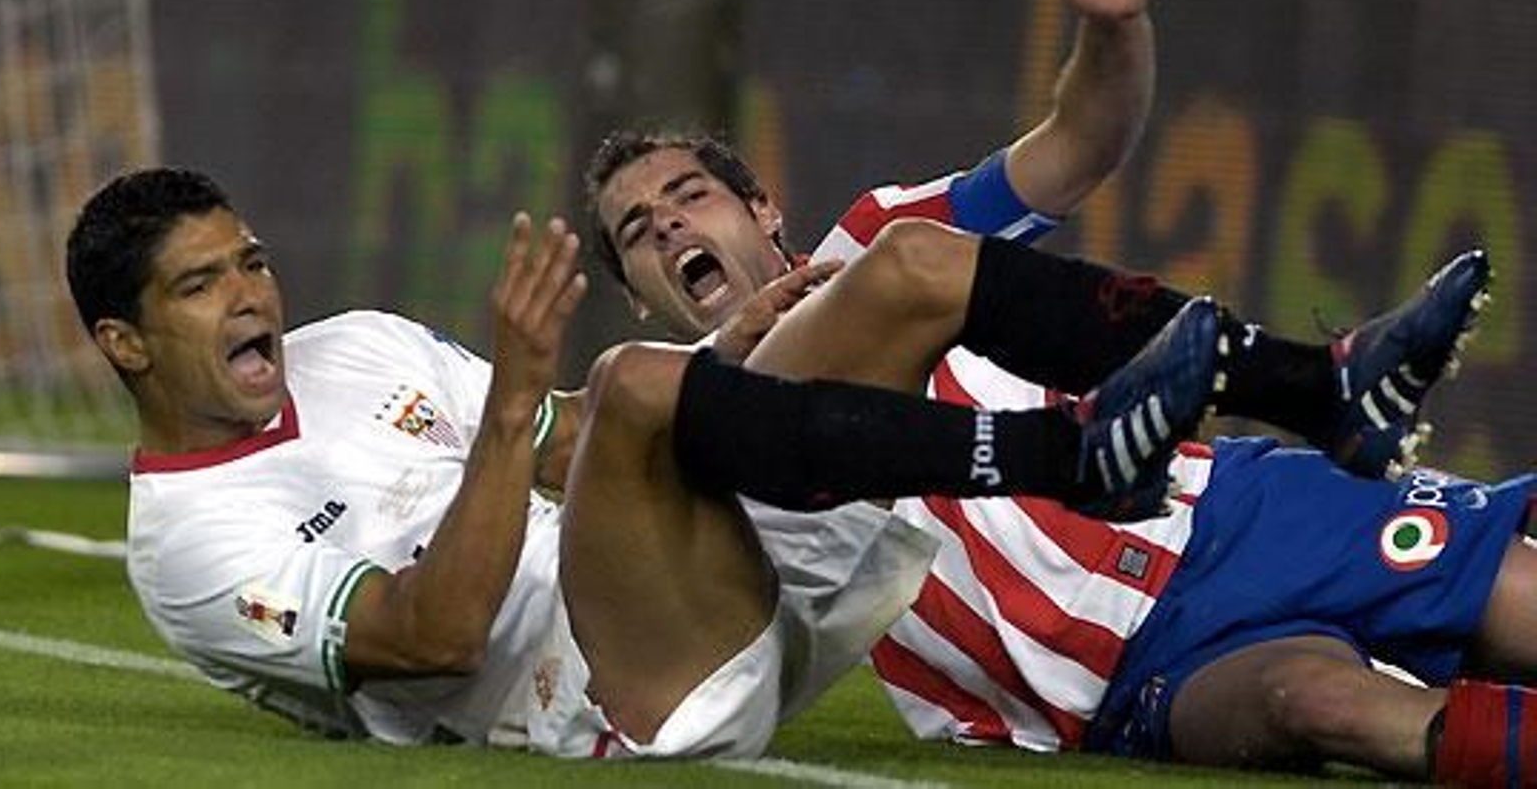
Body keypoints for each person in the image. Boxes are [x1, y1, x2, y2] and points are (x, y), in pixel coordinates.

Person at [581, 0, 1532, 784]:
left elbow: (1077, 145)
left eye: (689, 196)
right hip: (1110, 680)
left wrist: (1113, 29)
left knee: (1521, 605)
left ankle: (1307, 392)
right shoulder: (663, 450)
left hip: (1218, 515)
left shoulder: (872, 249)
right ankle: (1310, 392)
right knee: (1325, 706)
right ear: (634, 299)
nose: (668, 226)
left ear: (762, 207)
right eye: (637, 232)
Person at [64, 165, 1211, 756]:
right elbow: (435, 637)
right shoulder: (188, 543)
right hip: (621, 696)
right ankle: (1065, 456)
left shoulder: (353, 346)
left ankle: (1278, 371)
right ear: (124, 341)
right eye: (201, 284)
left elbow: (572, 440)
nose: (250, 295)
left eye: (251, 261)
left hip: (708, 573)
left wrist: (728, 352)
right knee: (634, 382)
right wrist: (514, 408)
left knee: (903, 269)